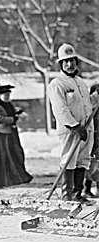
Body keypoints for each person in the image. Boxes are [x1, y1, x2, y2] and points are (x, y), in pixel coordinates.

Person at [48, 43, 99, 202]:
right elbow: (60, 109)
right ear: (61, 64)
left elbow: (88, 104)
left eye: (72, 61)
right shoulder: (57, 84)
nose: (70, 65)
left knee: (82, 162)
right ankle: (67, 196)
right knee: (69, 162)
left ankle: (78, 195)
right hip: (71, 130)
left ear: (77, 62)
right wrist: (74, 126)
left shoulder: (81, 83)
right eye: (66, 61)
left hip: (86, 129)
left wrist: (97, 95)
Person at [0, 85, 32, 188]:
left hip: (11, 133)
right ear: (1, 95)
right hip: (1, 135)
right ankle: (1, 180)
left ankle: (15, 177)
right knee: (2, 157)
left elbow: (13, 111)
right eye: (5, 94)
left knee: (16, 154)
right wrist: (13, 119)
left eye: (8, 94)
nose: (7, 96)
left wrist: (19, 113)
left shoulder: (10, 104)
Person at [83, 83, 99, 197]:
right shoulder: (92, 107)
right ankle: (86, 188)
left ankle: (97, 189)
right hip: (94, 135)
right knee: (91, 164)